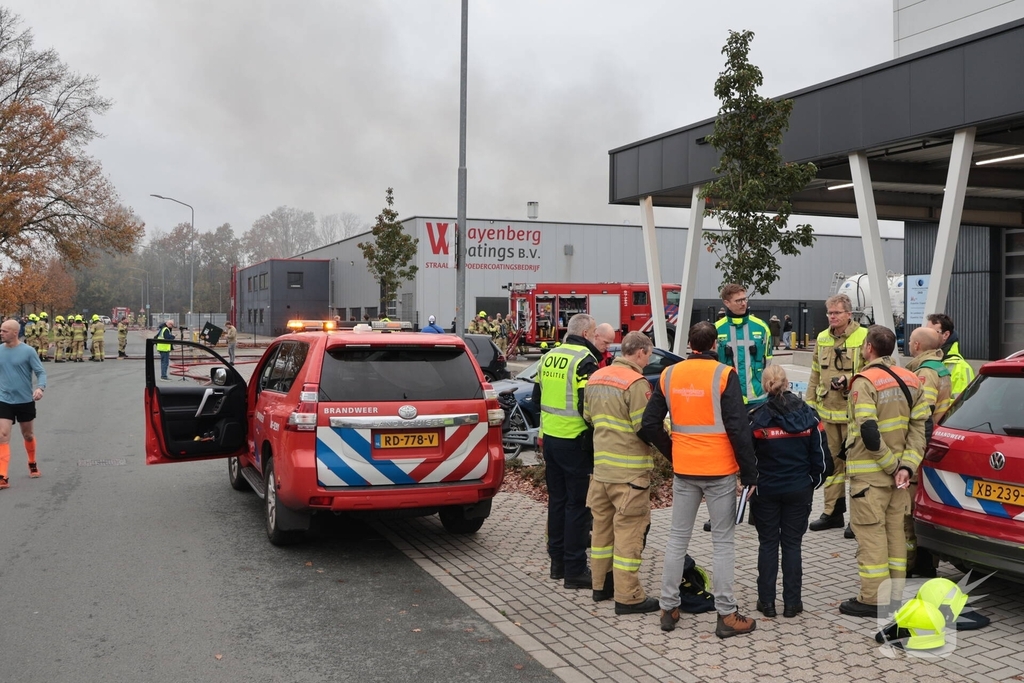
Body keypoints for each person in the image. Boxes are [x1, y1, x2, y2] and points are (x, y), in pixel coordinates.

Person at [640, 321, 758, 638]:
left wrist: (674, 453)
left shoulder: (669, 375)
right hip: (719, 471)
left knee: (677, 539)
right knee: (722, 543)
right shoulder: (724, 375)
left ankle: (668, 607)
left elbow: (650, 423)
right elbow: (738, 428)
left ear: (690, 345)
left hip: (685, 469)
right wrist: (749, 473)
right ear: (714, 344)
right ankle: (727, 615)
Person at [838, 325, 929, 618]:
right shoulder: (912, 379)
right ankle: (895, 597)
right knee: (895, 536)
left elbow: (868, 430)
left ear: (868, 348)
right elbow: (919, 428)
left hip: (872, 477)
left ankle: (873, 599)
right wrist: (906, 467)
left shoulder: (864, 381)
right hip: (900, 478)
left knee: (872, 536)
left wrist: (891, 466)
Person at [583, 331, 660, 615]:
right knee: (629, 533)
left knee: (601, 531)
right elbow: (645, 427)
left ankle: (600, 586)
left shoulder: (596, 377)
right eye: (648, 354)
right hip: (629, 475)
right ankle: (628, 597)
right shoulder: (636, 382)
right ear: (639, 353)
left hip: (601, 471)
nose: (649, 359)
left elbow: (588, 417)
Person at [749, 365, 829, 619]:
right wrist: (811, 484)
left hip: (766, 490)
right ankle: (793, 604)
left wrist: (752, 482)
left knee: (768, 543)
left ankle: (767, 602)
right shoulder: (810, 416)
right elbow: (823, 459)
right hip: (799, 489)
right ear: (787, 384)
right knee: (793, 544)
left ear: (765, 386)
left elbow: (746, 457)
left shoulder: (755, 418)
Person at [532, 313, 602, 589]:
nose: (596, 337)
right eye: (595, 332)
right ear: (585, 334)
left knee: (557, 503)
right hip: (575, 441)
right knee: (578, 507)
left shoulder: (548, 357)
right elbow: (589, 406)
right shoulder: (585, 360)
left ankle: (557, 564)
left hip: (550, 438)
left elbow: (538, 399)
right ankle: (574, 570)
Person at [806, 293, 867, 536]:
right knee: (831, 466)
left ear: (848, 315)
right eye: (829, 313)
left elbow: (874, 370)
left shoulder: (864, 336)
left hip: (854, 413)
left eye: (836, 313)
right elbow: (813, 374)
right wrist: (809, 404)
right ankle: (832, 513)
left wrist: (849, 380)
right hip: (827, 414)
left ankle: (858, 519)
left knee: (856, 467)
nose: (832, 317)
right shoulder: (822, 337)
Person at [904, 326, 952, 578]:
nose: (910, 344)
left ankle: (914, 564)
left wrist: (913, 452)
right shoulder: (941, 368)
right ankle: (926, 562)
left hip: (922, 448)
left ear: (918, 346)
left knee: (911, 511)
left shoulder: (925, 373)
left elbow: (924, 415)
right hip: (934, 444)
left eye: (912, 341)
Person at [0, 318, 47, 489]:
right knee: (2, 436)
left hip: (25, 400)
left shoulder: (28, 351)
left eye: (4, 331)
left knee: (28, 435)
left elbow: (40, 372)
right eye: (1, 330)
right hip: (4, 399)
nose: (1, 333)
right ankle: (3, 476)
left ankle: (32, 462)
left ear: (15, 332)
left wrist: (40, 388)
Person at [715, 284, 772, 407]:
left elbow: (768, 362)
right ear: (727, 303)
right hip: (727, 397)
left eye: (745, 299)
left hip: (757, 398)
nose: (743, 303)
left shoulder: (762, 327)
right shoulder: (716, 329)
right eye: (738, 300)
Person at [924, 313, 975, 397]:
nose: (927, 336)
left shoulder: (961, 368)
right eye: (926, 332)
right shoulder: (924, 360)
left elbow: (961, 403)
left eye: (932, 332)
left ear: (946, 335)